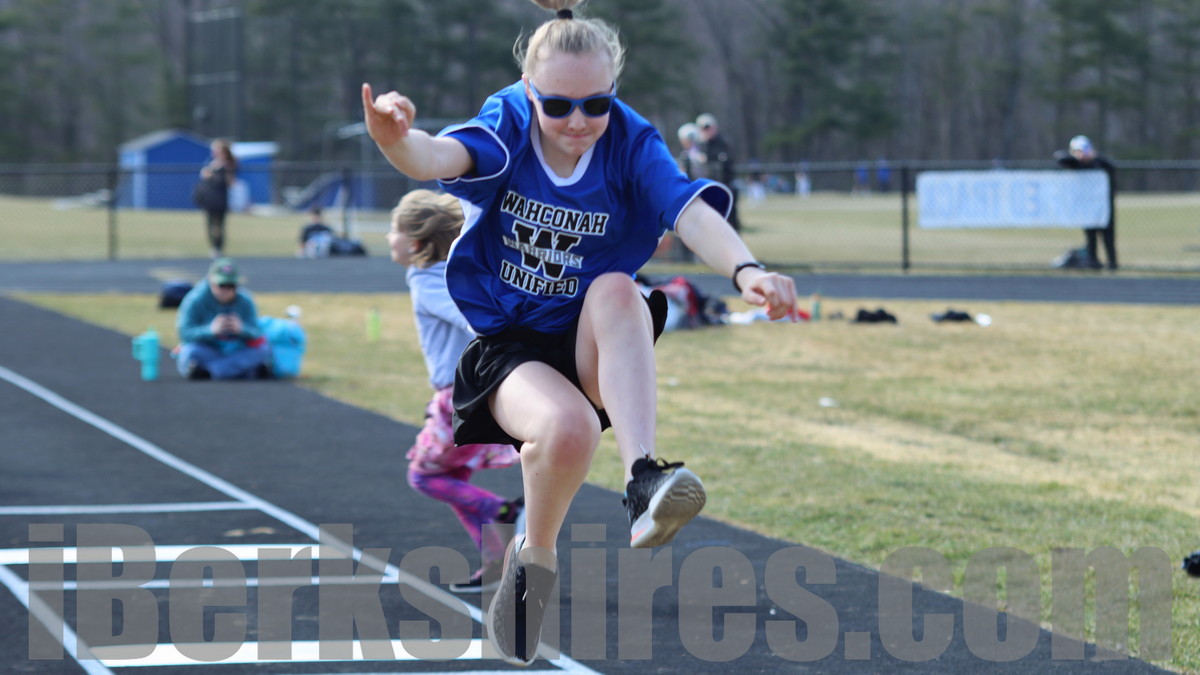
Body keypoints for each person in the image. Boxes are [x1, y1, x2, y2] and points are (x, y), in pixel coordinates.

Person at [362, 0, 796, 665]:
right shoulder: (508, 123)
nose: (577, 122)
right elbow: (435, 156)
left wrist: (747, 270)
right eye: (558, 106)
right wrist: (394, 138)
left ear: (613, 92)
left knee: (619, 286)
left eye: (595, 104)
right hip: (511, 345)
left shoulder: (629, 140)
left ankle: (644, 478)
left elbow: (685, 208)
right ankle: (533, 561)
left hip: (590, 338)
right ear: (529, 91)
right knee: (568, 430)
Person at [387, 188, 524, 594]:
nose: (389, 238)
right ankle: (496, 560)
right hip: (469, 394)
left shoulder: (427, 281)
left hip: (458, 398)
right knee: (454, 480)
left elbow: (470, 317)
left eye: (393, 230)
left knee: (423, 477)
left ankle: (502, 510)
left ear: (415, 243)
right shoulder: (456, 270)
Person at [175, 257, 271, 380]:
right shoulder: (194, 300)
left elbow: (257, 332)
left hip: (236, 349)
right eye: (222, 285)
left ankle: (210, 372)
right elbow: (184, 333)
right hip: (209, 349)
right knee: (189, 352)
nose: (226, 290)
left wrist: (241, 329)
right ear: (210, 281)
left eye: (231, 286)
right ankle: (244, 372)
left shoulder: (246, 300)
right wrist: (210, 330)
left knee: (263, 350)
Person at [1054, 134, 1117, 270]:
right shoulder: (1077, 164)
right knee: (1091, 237)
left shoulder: (1099, 162)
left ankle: (1112, 263)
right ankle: (1093, 261)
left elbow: (1111, 166)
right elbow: (1060, 158)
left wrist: (1094, 157)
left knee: (1108, 237)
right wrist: (1076, 157)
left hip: (1103, 207)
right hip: (1088, 207)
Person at [696, 112, 741, 232]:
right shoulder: (700, 146)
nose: (707, 131)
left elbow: (727, 163)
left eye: (708, 128)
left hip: (725, 186)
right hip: (707, 188)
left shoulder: (723, 143)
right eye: (704, 129)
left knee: (730, 218)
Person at [198, 139, 239, 258]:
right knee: (209, 224)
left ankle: (218, 247)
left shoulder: (228, 165)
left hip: (220, 197)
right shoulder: (211, 163)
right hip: (209, 197)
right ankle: (213, 247)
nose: (214, 152)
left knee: (218, 224)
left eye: (217, 150)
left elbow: (231, 182)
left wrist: (219, 172)